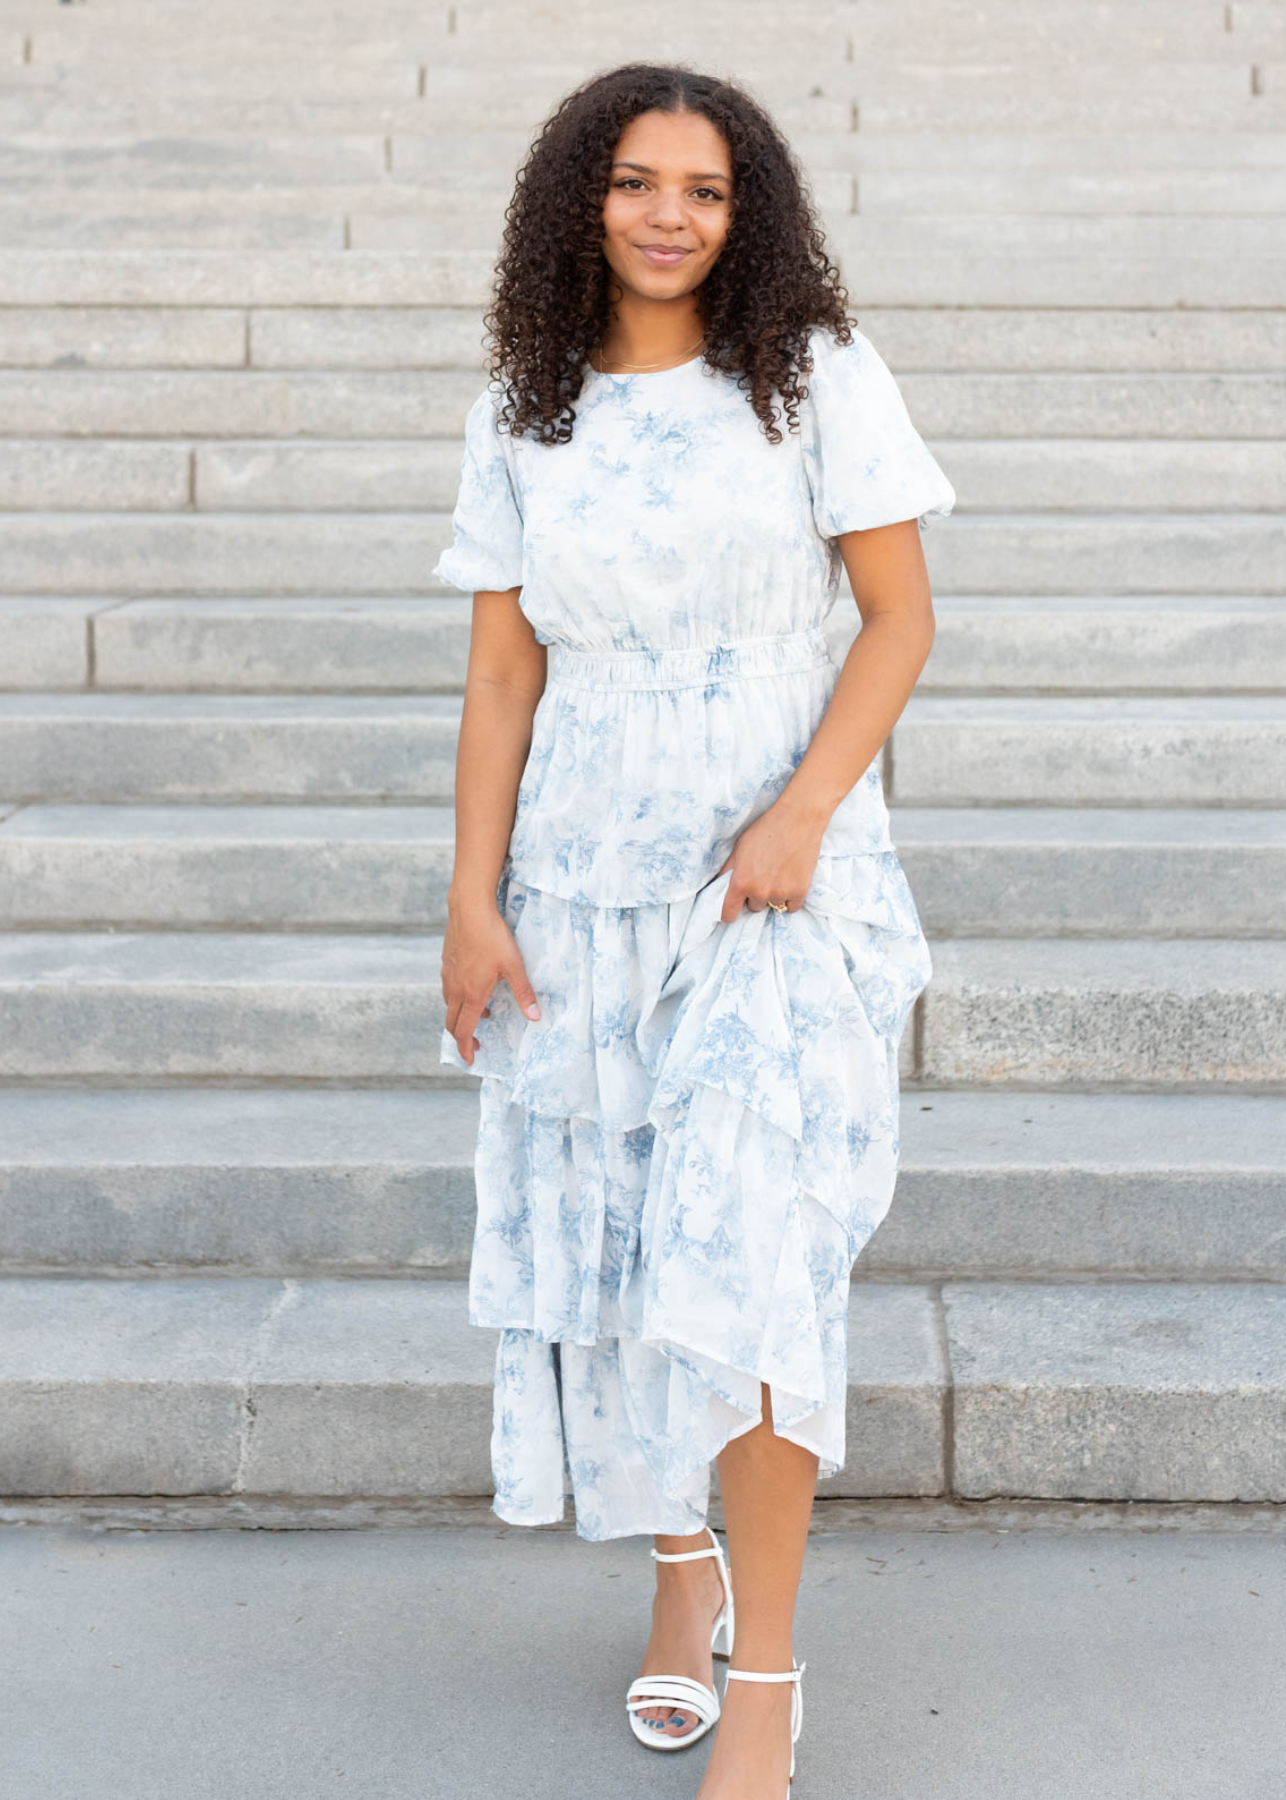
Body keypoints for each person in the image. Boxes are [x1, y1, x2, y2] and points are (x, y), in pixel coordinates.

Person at [433, 61, 953, 1800]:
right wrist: (468, 901)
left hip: (775, 879)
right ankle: (679, 1585)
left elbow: (895, 618)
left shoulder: (812, 376)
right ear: (580, 198)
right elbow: (504, 670)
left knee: (745, 1254)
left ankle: (766, 1680)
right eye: (638, 181)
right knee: (624, 1246)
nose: (670, 213)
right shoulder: (527, 403)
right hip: (580, 875)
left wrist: (801, 809)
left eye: (707, 189)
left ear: (750, 214)